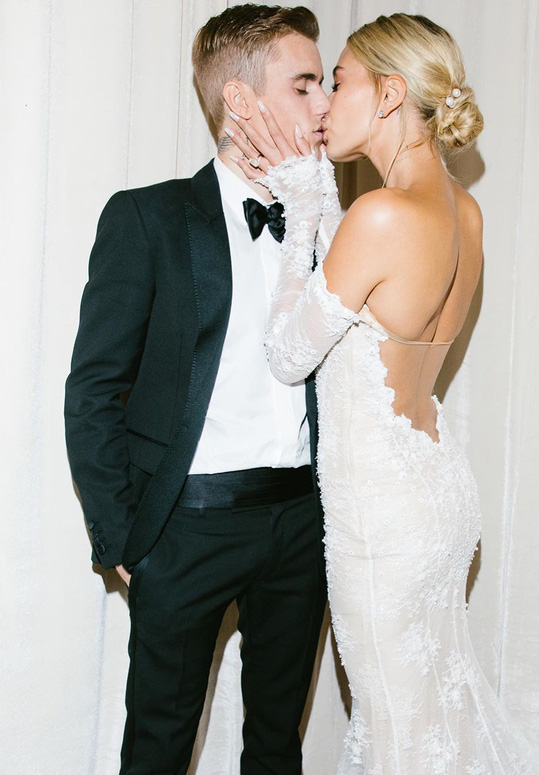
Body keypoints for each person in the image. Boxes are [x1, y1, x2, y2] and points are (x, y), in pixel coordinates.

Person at [228, 12, 538, 774]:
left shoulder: (379, 214)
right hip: (438, 493)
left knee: (398, 734)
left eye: (339, 82)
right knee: (434, 718)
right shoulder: (463, 211)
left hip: (382, 518)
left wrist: (307, 208)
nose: (326, 102)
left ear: (391, 94)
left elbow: (288, 355)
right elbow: (371, 288)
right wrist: (318, 201)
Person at [64, 5, 331, 774]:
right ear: (240, 100)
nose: (323, 104)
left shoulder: (326, 219)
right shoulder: (148, 217)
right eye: (304, 84)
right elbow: (93, 390)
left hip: (302, 523)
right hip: (187, 525)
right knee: (158, 748)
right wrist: (124, 538)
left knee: (277, 747)